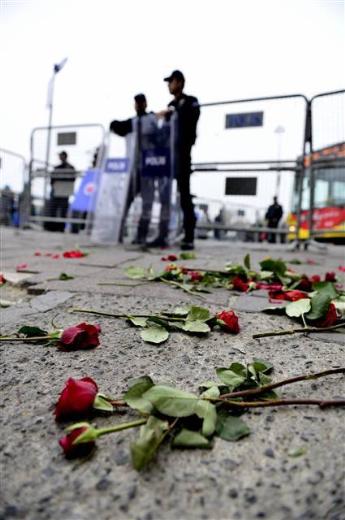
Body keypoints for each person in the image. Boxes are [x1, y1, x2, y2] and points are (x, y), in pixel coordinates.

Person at [155, 70, 200, 250]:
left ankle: (189, 236)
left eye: (171, 82)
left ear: (179, 82)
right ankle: (163, 232)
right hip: (168, 155)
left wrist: (174, 113)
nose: (169, 85)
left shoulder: (190, 102)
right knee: (164, 195)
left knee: (184, 196)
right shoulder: (170, 105)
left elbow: (191, 120)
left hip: (182, 155)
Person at [110, 94, 161, 245]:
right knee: (126, 202)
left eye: (141, 102)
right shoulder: (133, 122)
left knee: (147, 204)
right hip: (134, 169)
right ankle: (118, 233)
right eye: (136, 103)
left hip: (148, 168)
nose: (138, 105)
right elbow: (117, 126)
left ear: (145, 103)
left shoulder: (151, 120)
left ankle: (141, 236)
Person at [46, 151, 76, 232]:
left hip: (64, 191)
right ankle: (52, 227)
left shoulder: (70, 168)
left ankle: (61, 228)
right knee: (53, 209)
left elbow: (72, 179)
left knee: (63, 210)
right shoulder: (58, 167)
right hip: (57, 190)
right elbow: (52, 179)